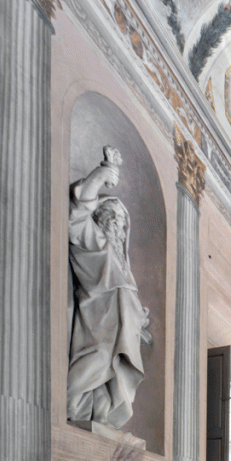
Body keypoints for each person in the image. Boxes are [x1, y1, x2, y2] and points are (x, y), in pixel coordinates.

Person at [67, 146, 151, 430]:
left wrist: (138, 316)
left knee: (116, 374)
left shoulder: (122, 264)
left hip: (122, 330)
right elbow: (77, 217)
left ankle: (101, 415)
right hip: (99, 322)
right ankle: (71, 402)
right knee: (100, 358)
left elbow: (126, 294)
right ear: (99, 217)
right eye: (111, 215)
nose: (117, 223)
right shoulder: (95, 242)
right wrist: (100, 176)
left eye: (122, 220)